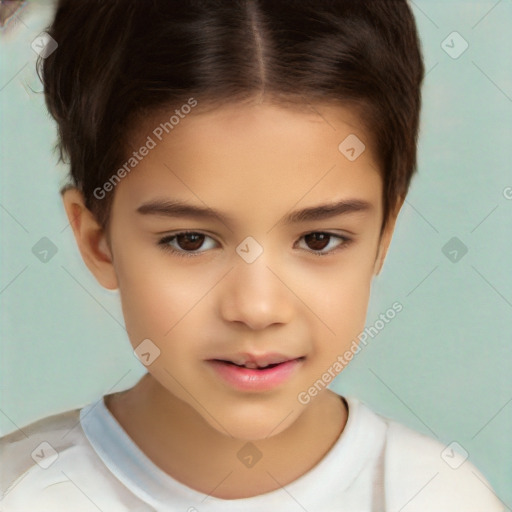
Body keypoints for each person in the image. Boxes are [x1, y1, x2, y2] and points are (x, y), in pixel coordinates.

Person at [0, 0, 505, 510]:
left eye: (318, 240)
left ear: (383, 235)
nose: (258, 309)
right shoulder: (21, 491)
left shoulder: (437, 496)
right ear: (97, 242)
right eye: (190, 240)